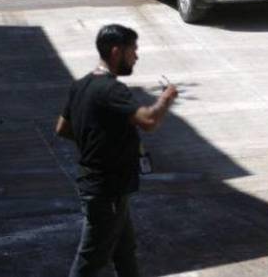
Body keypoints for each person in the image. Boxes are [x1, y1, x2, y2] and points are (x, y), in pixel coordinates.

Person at [55, 24, 178, 277]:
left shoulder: (81, 85)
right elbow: (149, 120)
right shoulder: (112, 90)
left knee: (124, 252)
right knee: (90, 259)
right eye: (133, 50)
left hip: (108, 188)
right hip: (105, 191)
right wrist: (166, 98)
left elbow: (63, 128)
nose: (136, 56)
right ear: (116, 51)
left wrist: (98, 141)